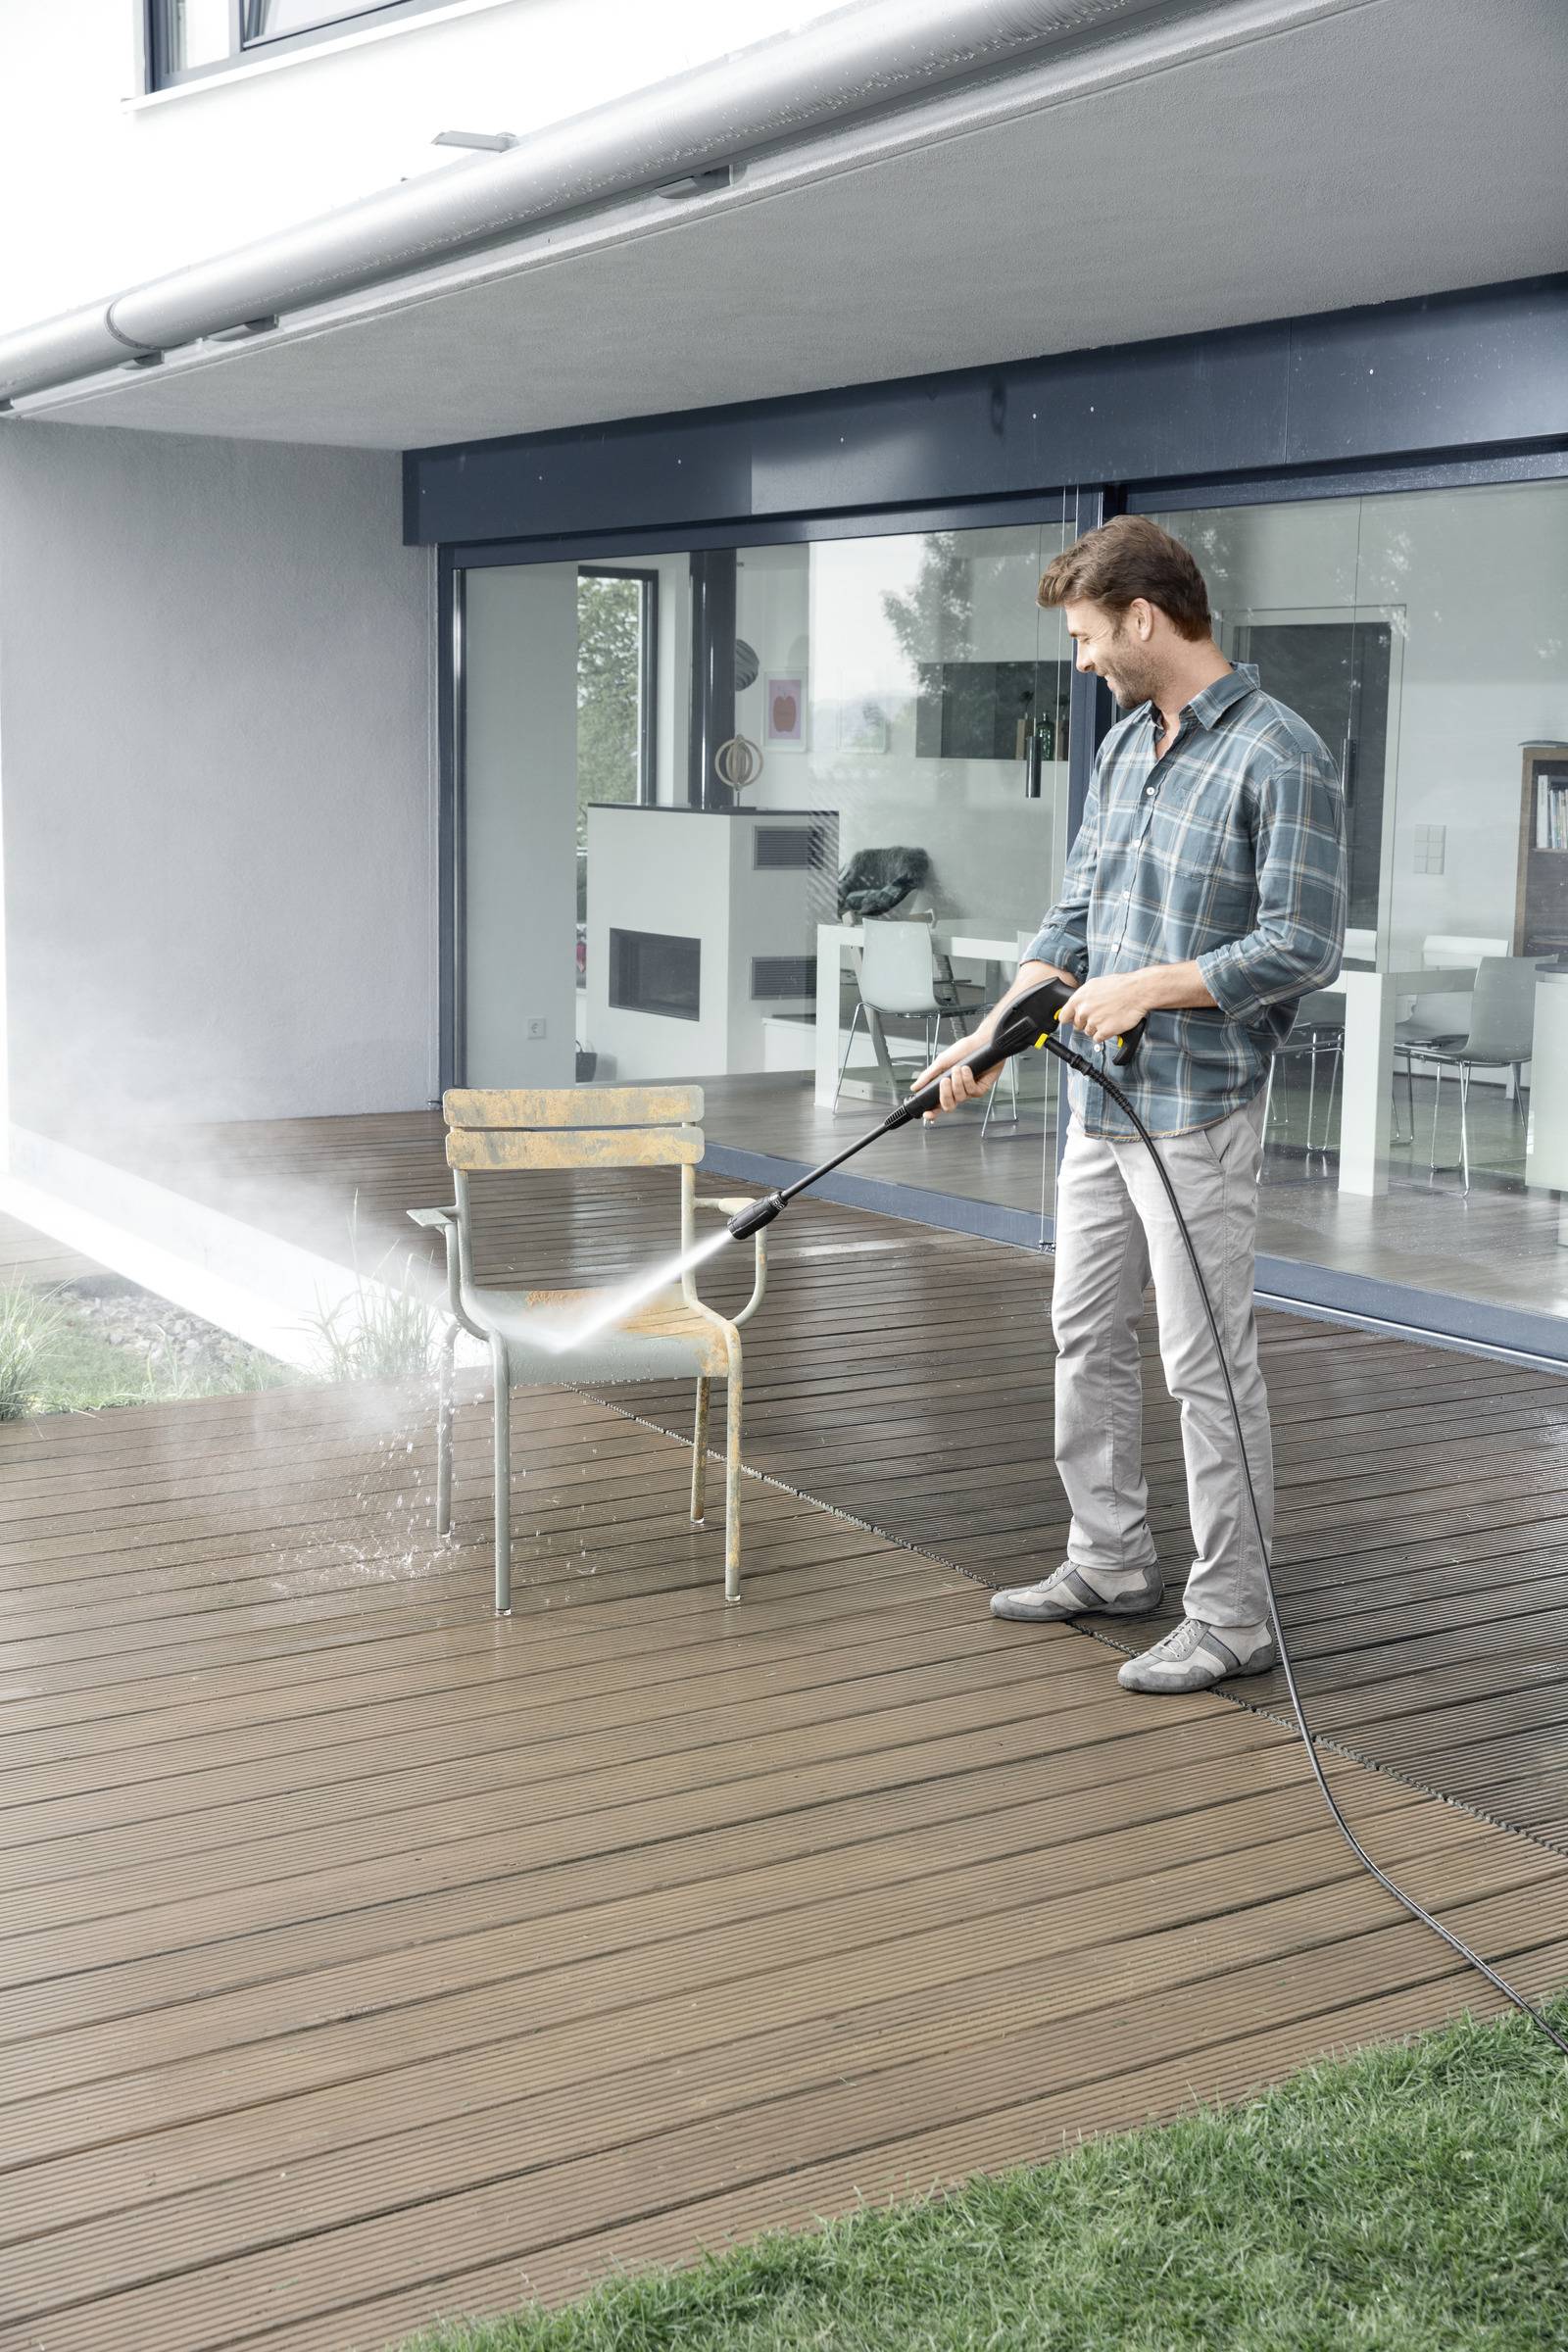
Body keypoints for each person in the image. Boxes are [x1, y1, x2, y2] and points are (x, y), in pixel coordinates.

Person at [913, 515, 1347, 1694]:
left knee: (1203, 1362)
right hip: (1098, 1112)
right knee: (1082, 1334)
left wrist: (1151, 986)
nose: (1081, 659)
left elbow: (1305, 944)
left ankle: (1234, 1615)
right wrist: (994, 1034)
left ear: (1144, 619)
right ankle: (1108, 1561)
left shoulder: (1278, 752)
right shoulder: (1120, 751)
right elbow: (1072, 925)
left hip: (1197, 1111)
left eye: (1087, 635)